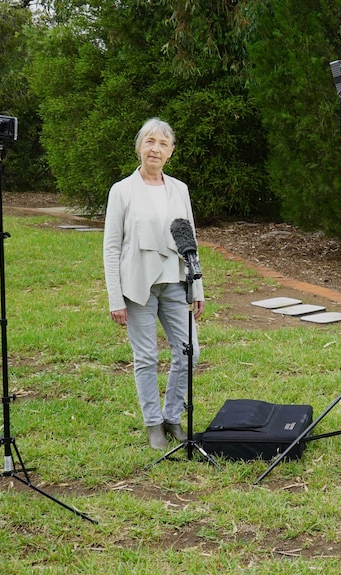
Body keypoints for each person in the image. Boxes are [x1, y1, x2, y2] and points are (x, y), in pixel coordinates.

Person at [103, 117, 205, 450]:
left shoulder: (180, 189)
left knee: (189, 351)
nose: (155, 149)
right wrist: (115, 297)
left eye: (162, 143)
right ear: (139, 147)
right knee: (146, 357)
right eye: (149, 141)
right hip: (138, 287)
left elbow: (189, 240)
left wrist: (198, 287)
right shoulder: (122, 191)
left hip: (175, 282)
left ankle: (172, 417)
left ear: (171, 151)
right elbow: (112, 247)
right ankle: (153, 425)